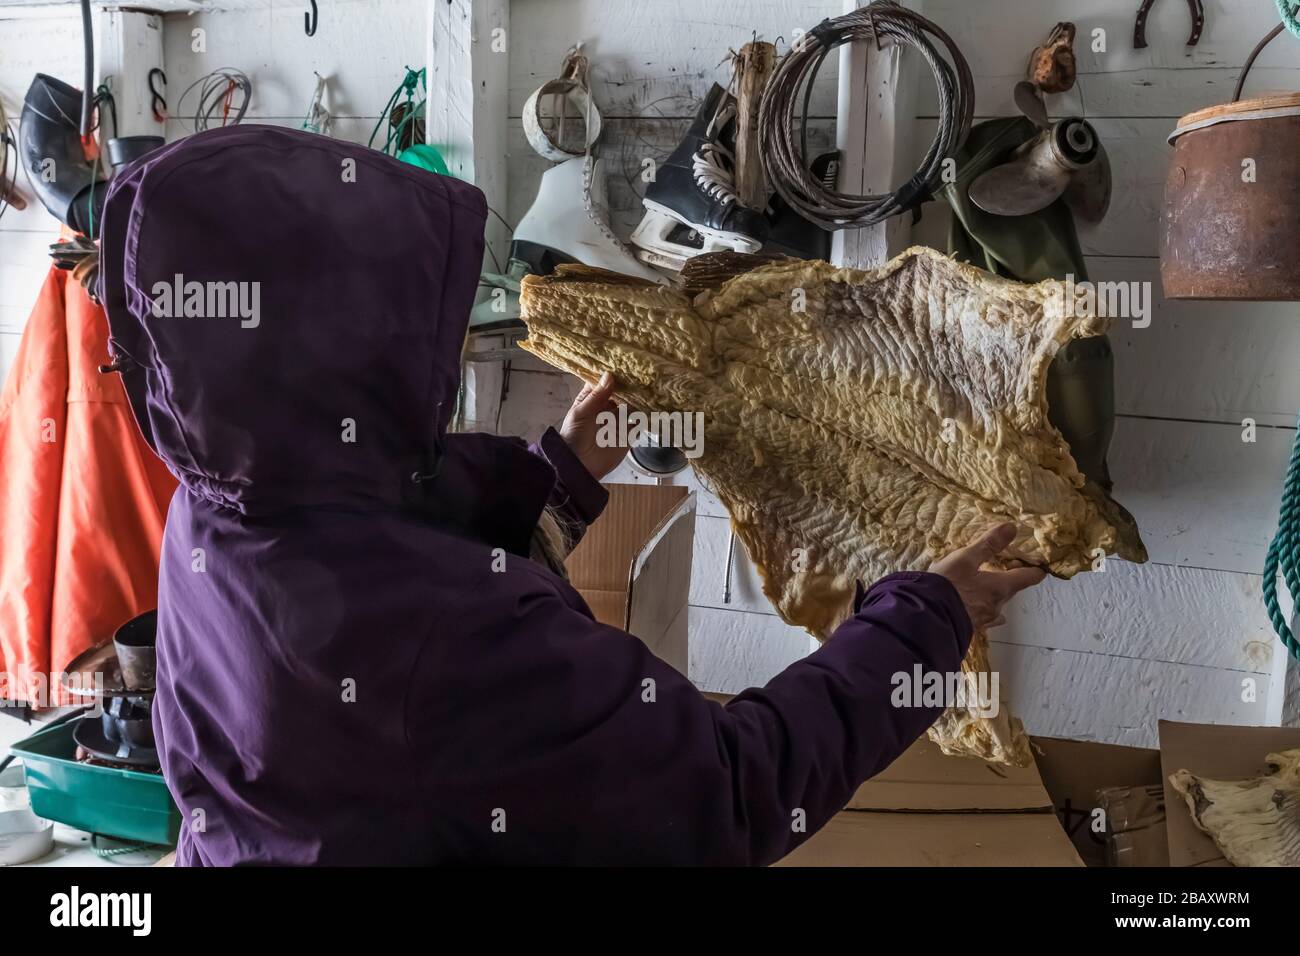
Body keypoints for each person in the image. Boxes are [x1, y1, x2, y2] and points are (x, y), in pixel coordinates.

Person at [97, 124, 1044, 866]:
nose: (443, 343)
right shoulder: (450, 644)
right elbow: (729, 796)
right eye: (418, 320)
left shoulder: (217, 506)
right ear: (352, 348)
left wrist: (562, 475)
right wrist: (926, 620)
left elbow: (380, 534)